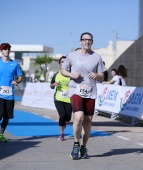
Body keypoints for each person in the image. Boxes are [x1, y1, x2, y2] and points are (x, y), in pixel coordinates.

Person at [60, 32, 105, 160]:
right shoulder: (72, 55)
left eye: (89, 40)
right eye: (84, 40)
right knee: (78, 117)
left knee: (88, 121)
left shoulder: (97, 57)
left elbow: (102, 77)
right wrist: (71, 75)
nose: (87, 42)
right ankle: (75, 143)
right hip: (76, 90)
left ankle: (84, 147)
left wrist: (96, 75)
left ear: (92, 42)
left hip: (90, 91)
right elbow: (63, 69)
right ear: (80, 41)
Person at [0, 43, 23, 142]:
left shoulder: (14, 64)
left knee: (6, 117)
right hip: (0, 95)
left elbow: (20, 77)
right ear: (1, 51)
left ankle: (1, 134)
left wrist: (17, 81)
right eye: (5, 49)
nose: (7, 50)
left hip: (10, 95)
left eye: (8, 49)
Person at [50, 56, 72, 141]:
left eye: (65, 61)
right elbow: (51, 86)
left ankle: (63, 122)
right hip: (58, 98)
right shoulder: (56, 74)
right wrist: (53, 84)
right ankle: (61, 134)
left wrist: (71, 85)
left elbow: (77, 86)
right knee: (62, 115)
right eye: (62, 62)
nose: (63, 63)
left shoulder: (71, 74)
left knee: (68, 118)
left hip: (69, 99)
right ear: (60, 63)